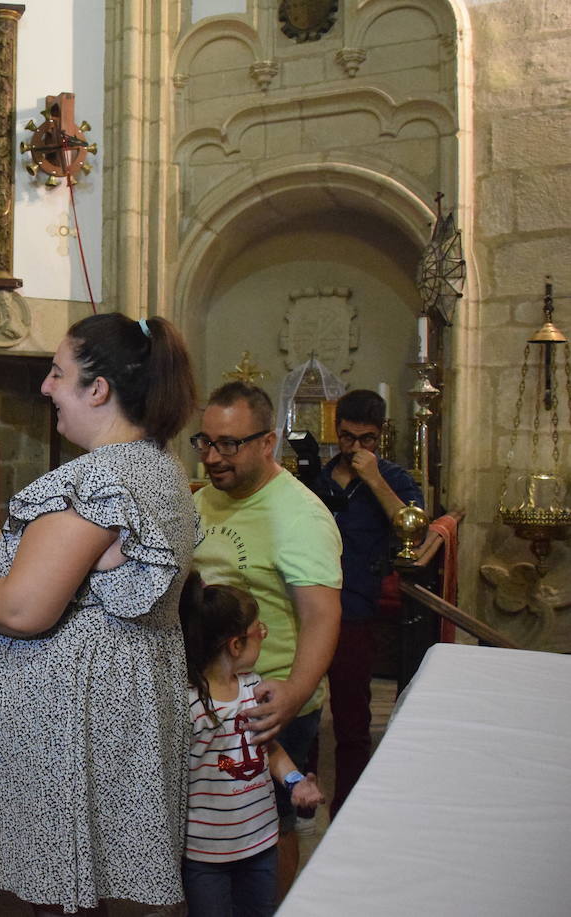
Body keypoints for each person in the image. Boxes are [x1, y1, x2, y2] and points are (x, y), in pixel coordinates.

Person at [0, 313, 200, 915]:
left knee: (62, 894)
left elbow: (22, 607)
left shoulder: (96, 479)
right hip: (128, 708)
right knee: (111, 883)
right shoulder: (156, 466)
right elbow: (87, 569)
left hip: (71, 725)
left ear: (99, 389)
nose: (45, 387)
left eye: (57, 374)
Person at [190, 381, 342, 899]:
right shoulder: (204, 497)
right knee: (205, 823)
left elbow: (322, 616)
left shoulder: (299, 516)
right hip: (205, 698)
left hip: (271, 704)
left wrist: (295, 694)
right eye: (206, 442)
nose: (213, 457)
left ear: (267, 442)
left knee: (269, 829)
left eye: (228, 444)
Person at [179, 571, 326, 917]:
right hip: (205, 852)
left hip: (260, 842)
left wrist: (294, 782)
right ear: (236, 645)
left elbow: (268, 749)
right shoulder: (190, 707)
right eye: (259, 630)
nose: (265, 633)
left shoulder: (255, 688)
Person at [308, 389, 422, 816]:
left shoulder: (395, 477)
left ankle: (348, 809)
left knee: (352, 715)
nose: (355, 448)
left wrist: (374, 479)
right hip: (310, 603)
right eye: (347, 437)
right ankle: (304, 800)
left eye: (367, 439)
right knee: (305, 708)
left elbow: (416, 531)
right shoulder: (316, 479)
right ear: (336, 432)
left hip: (356, 606)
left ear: (381, 436)